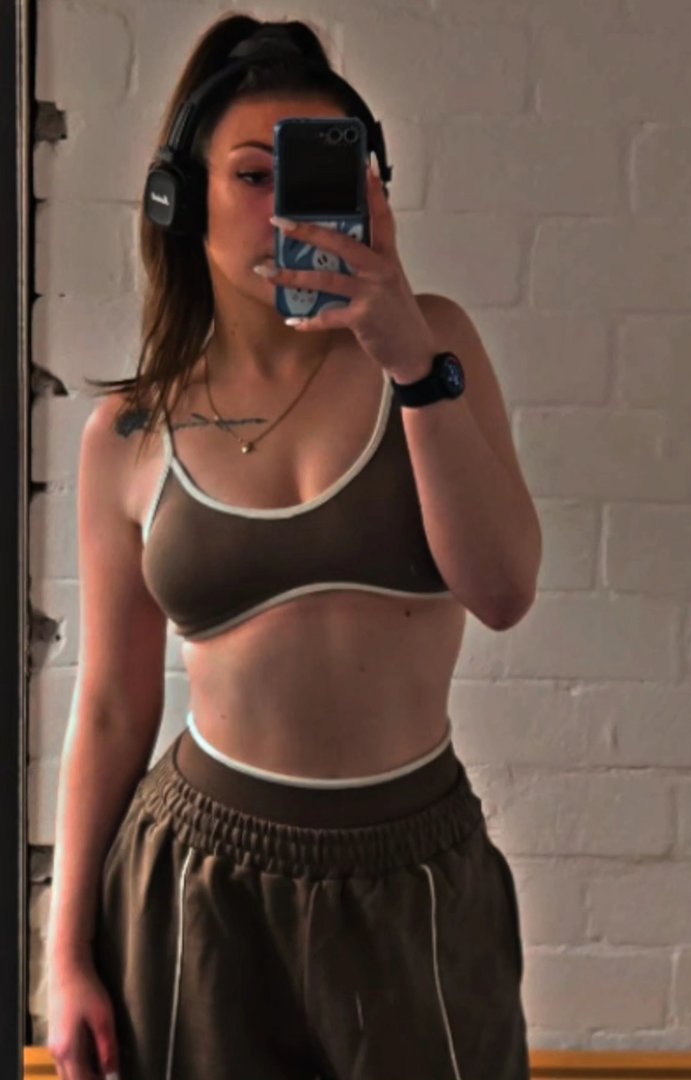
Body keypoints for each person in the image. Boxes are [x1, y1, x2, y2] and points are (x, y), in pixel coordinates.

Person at [44, 14, 541, 1080]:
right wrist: (63, 952)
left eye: (314, 174)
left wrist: (410, 361)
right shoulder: (130, 432)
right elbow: (112, 706)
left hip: (413, 872)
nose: (284, 209)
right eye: (251, 175)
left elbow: (503, 589)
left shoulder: (437, 345)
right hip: (197, 881)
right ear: (180, 200)